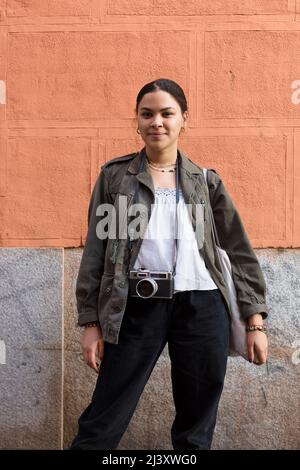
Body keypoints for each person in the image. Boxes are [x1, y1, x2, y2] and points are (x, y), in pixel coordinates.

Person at [69, 78, 268, 450]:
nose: (156, 122)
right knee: (103, 417)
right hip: (136, 305)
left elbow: (239, 250)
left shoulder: (205, 181)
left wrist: (255, 319)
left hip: (202, 306)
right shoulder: (115, 178)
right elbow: (96, 251)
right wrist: (91, 321)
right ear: (137, 121)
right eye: (148, 114)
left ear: (184, 119)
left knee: (196, 422)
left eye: (167, 113)